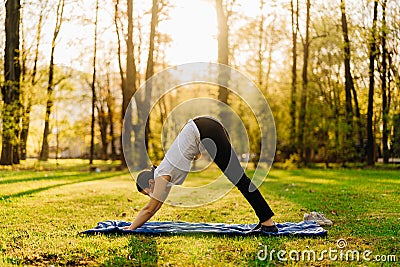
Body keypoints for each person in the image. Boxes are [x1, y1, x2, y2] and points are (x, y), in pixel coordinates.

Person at [124, 116, 277, 233]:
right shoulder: (164, 177)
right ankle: (265, 220)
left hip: (206, 129)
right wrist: (134, 226)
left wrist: (130, 229)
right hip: (206, 128)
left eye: (148, 192)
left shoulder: (162, 176)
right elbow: (156, 206)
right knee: (239, 178)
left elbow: (149, 209)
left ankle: (267, 223)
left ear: (150, 183)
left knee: (239, 178)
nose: (152, 195)